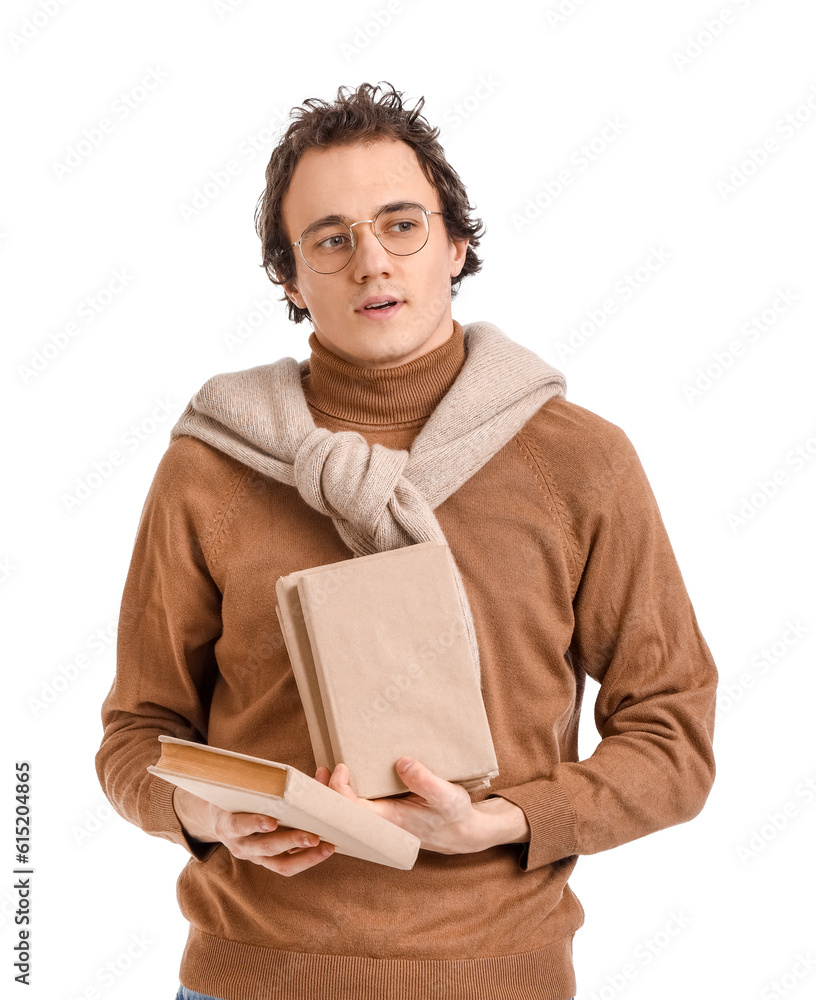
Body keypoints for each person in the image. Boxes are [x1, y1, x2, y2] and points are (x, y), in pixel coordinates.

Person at [95, 81, 717, 1000]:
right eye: (330, 238)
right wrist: (202, 812)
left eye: (401, 225)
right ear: (290, 279)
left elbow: (673, 738)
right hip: (249, 978)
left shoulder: (581, 461)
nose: (370, 263)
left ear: (458, 244)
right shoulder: (211, 467)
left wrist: (506, 819)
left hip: (497, 974)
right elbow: (135, 734)